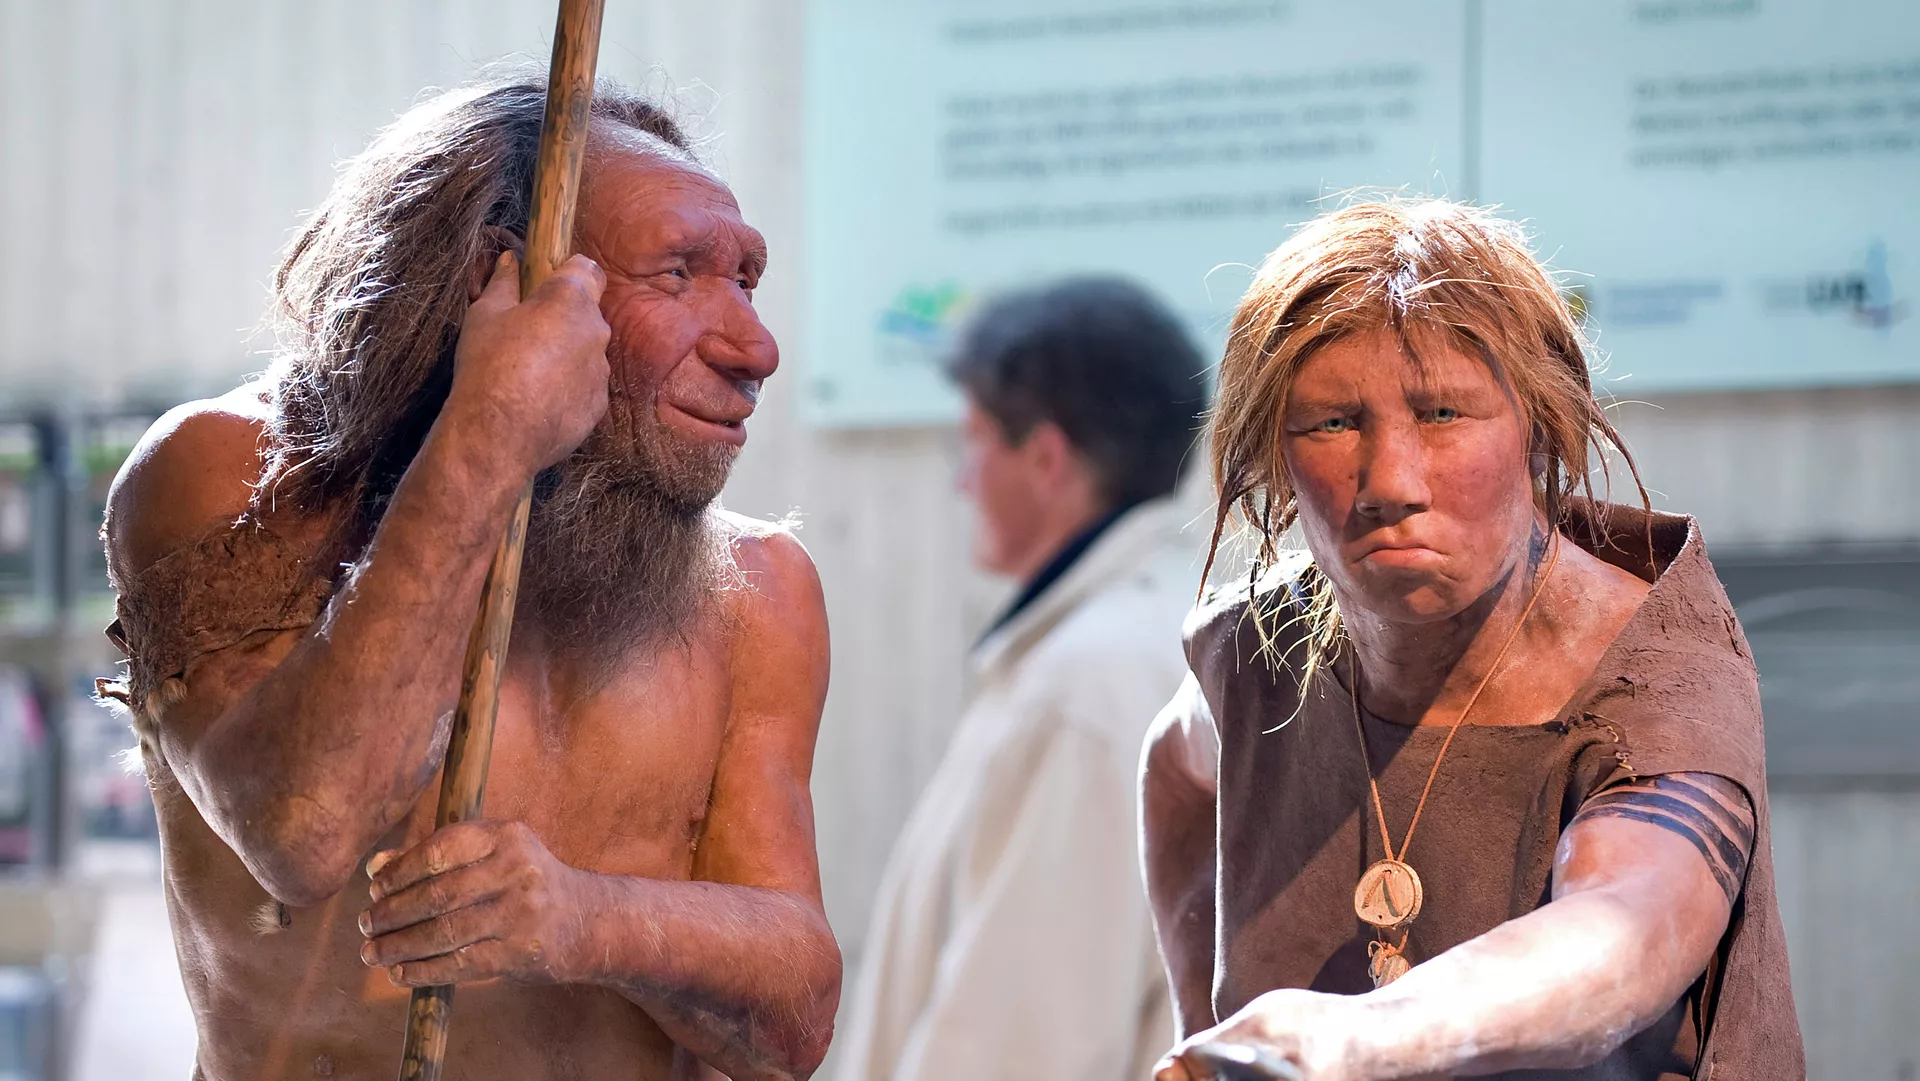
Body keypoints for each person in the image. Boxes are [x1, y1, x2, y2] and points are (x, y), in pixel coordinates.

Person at [95, 78, 840, 1081]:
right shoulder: (231, 478)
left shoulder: (759, 591)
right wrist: (488, 438)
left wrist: (581, 916)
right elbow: (303, 829)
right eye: (679, 272)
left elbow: (792, 1029)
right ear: (498, 284)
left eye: (746, 278)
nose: (756, 348)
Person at [1141, 199, 1802, 1080]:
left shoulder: (1646, 681)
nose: (1392, 481)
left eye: (1444, 413)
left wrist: (1357, 1037)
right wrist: (1204, 1017)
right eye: (1333, 423)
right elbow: (1176, 763)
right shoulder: (1262, 650)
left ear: (1536, 423)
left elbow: (1628, 928)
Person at [837, 278, 1208, 1081]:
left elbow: (1022, 1044)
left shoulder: (1090, 681)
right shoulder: (1148, 631)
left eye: (973, 443)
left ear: (1045, 457)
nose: (962, 480)